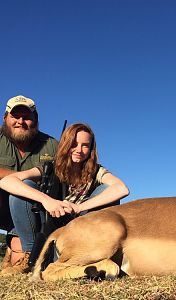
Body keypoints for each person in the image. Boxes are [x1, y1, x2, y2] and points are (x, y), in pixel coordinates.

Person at [0, 123, 129, 275]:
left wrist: (80, 207)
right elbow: (6, 181)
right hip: (49, 222)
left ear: (91, 149)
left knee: (106, 191)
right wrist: (47, 200)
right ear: (65, 144)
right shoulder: (50, 167)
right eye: (73, 144)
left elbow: (122, 188)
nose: (79, 150)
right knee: (24, 187)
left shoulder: (96, 170)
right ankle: (29, 254)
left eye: (85, 145)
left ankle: (91, 252)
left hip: (80, 226)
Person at [0, 95, 58, 273]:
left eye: (26, 117)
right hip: (3, 208)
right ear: (5, 119)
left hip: (32, 212)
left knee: (21, 262)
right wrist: (21, 178)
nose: (20, 121)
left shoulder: (52, 145)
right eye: (15, 116)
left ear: (36, 119)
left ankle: (20, 247)